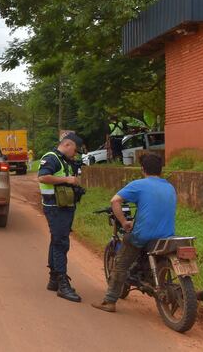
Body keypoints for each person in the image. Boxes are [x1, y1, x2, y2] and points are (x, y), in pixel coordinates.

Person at [92, 153, 176, 313]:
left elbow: (115, 201)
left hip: (143, 235)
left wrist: (124, 222)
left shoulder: (139, 184)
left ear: (143, 169)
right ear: (161, 170)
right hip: (167, 236)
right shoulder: (169, 186)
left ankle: (109, 301)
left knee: (121, 263)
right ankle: (154, 277)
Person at [38, 132, 84, 302]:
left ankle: (53, 279)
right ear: (67, 145)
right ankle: (62, 283)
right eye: (75, 150)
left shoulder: (64, 159)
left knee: (56, 240)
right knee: (61, 243)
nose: (75, 153)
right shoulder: (51, 158)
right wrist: (68, 179)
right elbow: (42, 176)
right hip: (55, 207)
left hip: (64, 207)